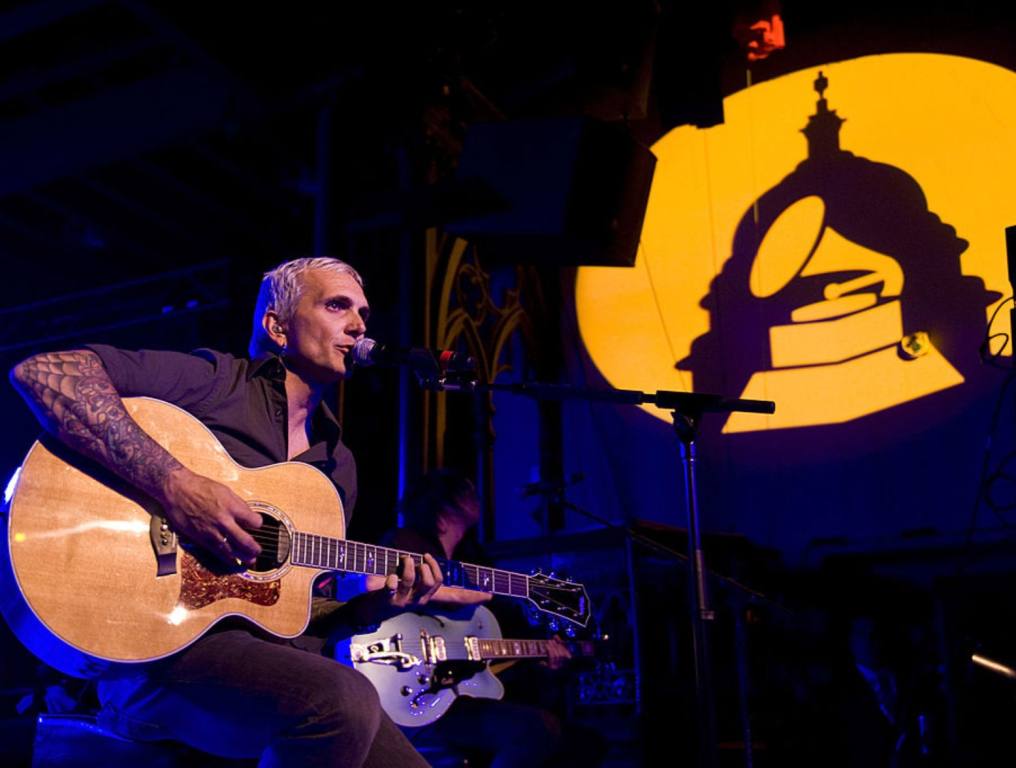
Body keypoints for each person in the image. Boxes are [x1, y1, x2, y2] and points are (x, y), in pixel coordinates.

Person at [9, 257, 443, 768]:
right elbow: (42, 372)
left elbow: (290, 609)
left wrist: (375, 609)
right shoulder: (216, 382)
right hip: (156, 650)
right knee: (341, 699)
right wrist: (176, 484)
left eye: (363, 313)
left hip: (264, 664)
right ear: (277, 326)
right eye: (336, 305)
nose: (358, 324)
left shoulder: (336, 463)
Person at [364, 468, 601, 768]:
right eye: (467, 491)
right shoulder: (405, 540)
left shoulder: (469, 561)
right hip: (410, 691)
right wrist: (482, 592)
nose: (477, 498)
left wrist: (544, 661)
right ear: (444, 504)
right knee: (539, 730)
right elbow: (387, 587)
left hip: (450, 694)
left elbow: (483, 663)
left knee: (579, 742)